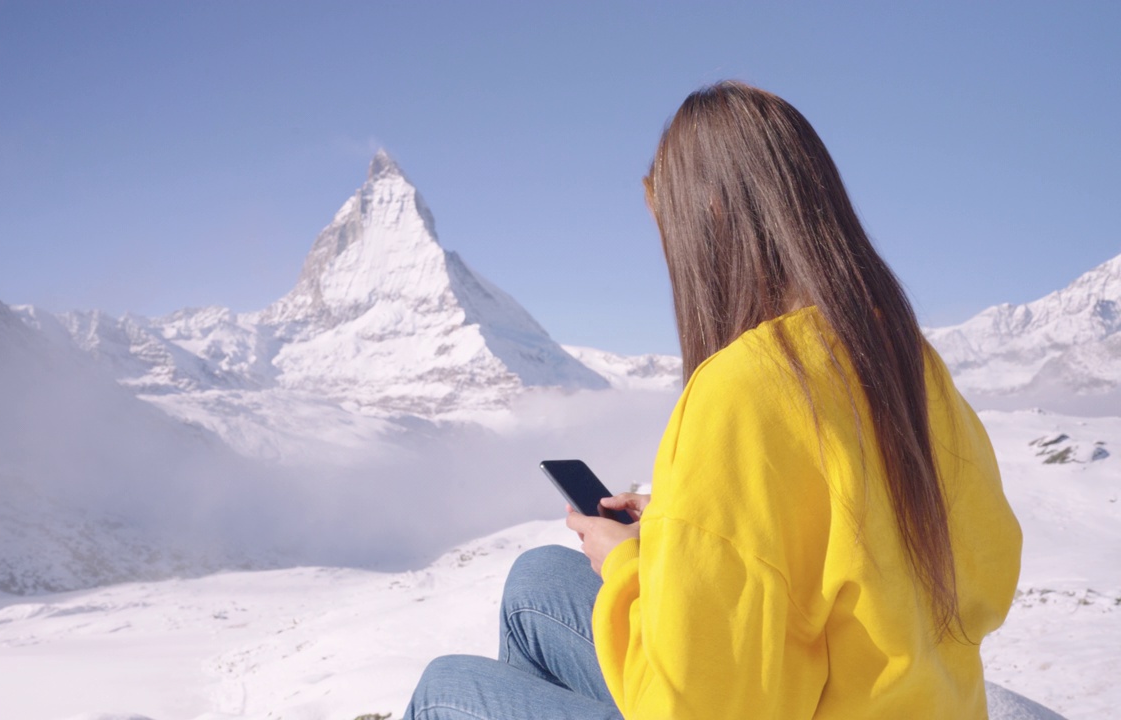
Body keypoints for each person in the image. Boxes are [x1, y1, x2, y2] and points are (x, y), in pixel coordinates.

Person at [403, 81, 1029, 719]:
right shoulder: (901, 355)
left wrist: (625, 566)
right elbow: (969, 559)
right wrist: (683, 529)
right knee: (537, 581)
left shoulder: (742, 389)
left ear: (712, 219)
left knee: (446, 687)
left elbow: (704, 707)